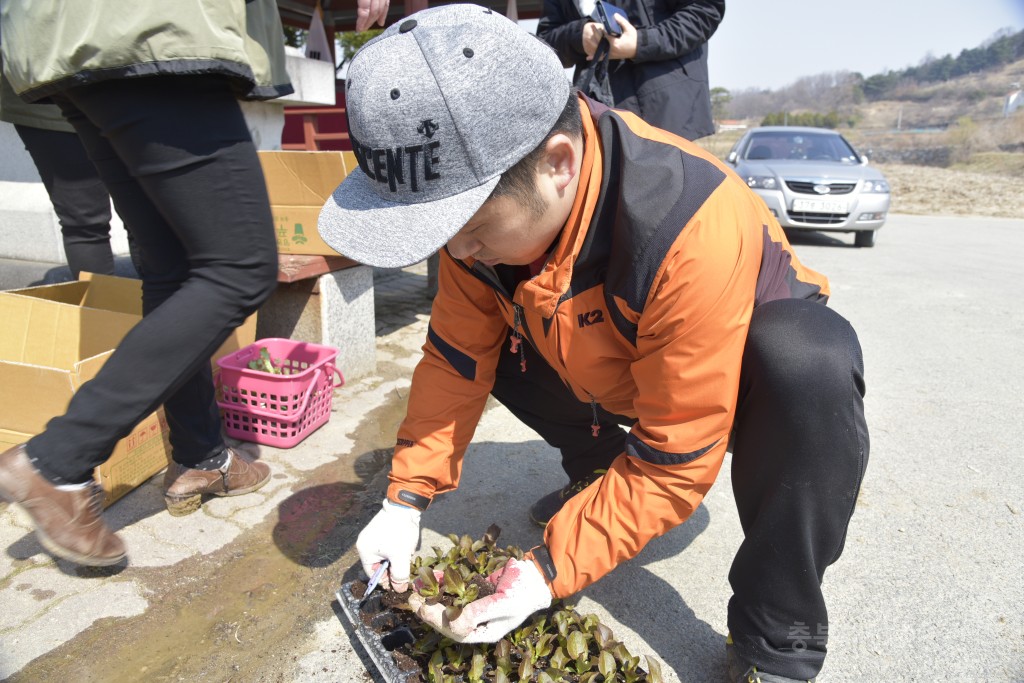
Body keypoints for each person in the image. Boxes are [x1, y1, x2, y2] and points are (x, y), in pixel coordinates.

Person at [318, 6, 868, 682]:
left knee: (807, 362)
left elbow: (677, 457)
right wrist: (404, 499)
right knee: (487, 348)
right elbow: (456, 361)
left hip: (726, 363)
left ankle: (776, 635)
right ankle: (602, 477)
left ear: (557, 164)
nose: (455, 251)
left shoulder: (688, 221)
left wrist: (548, 568)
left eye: (467, 225)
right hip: (607, 351)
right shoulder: (481, 226)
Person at [0, 0, 300, 568]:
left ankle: (200, 456)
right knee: (240, 268)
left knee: (173, 268)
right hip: (154, 30)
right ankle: (55, 462)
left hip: (70, 38)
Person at [0, 67, 144, 279]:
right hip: (48, 90)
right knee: (90, 220)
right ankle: (101, 308)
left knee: (139, 217)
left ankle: (154, 305)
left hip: (112, 81)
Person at [537, 0, 724, 141]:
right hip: (596, 114)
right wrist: (580, 36)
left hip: (668, 111)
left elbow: (705, 9)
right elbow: (545, 40)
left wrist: (641, 42)